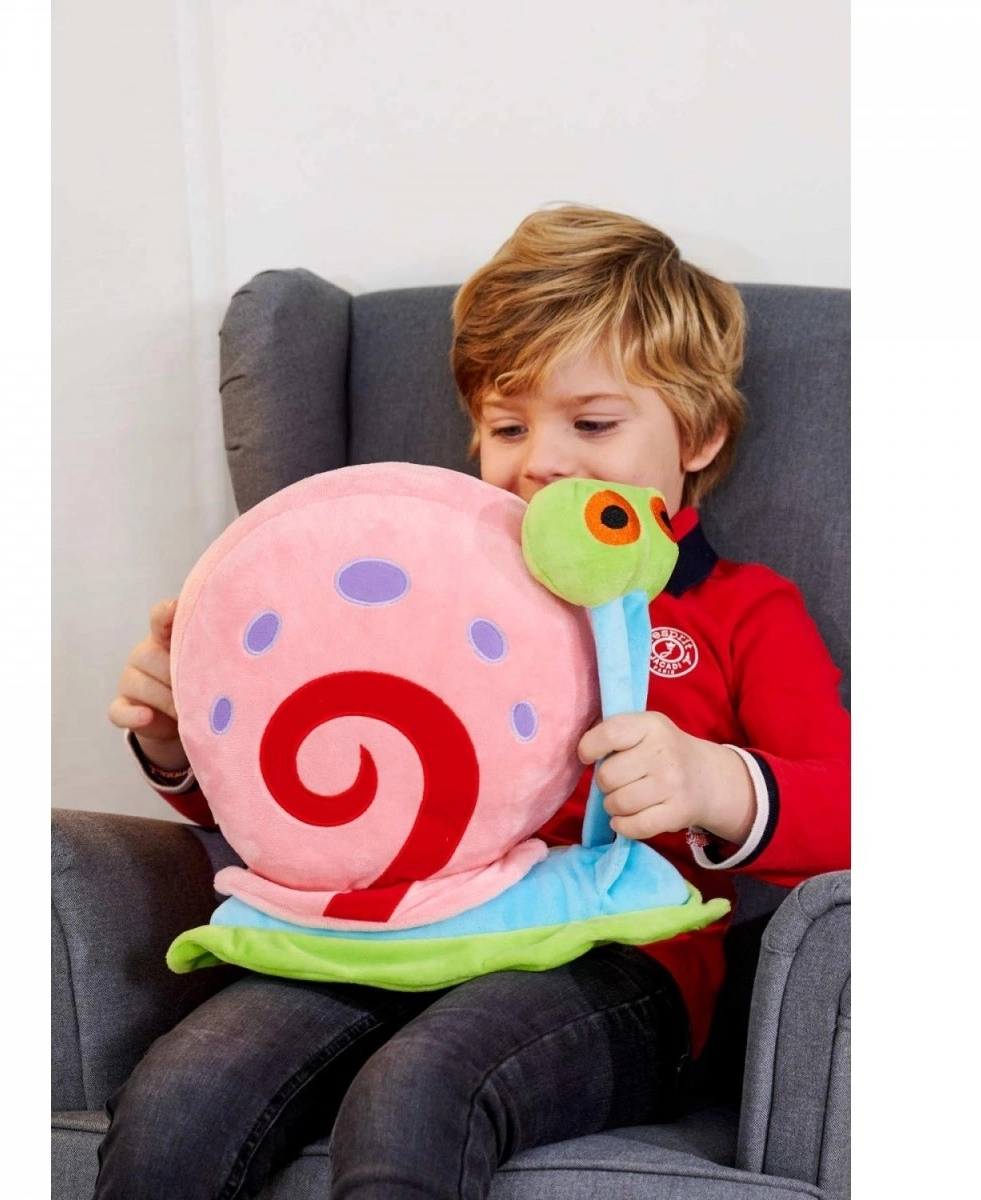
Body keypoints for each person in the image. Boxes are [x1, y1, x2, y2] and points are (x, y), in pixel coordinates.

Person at [98, 205, 850, 1200]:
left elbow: (852, 807)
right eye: (507, 427)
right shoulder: (414, 592)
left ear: (700, 435)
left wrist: (717, 784)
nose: (541, 460)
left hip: (616, 962)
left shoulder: (741, 609)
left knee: (417, 1092)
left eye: (592, 423)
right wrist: (177, 744)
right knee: (180, 1096)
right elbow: (304, 793)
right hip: (384, 929)